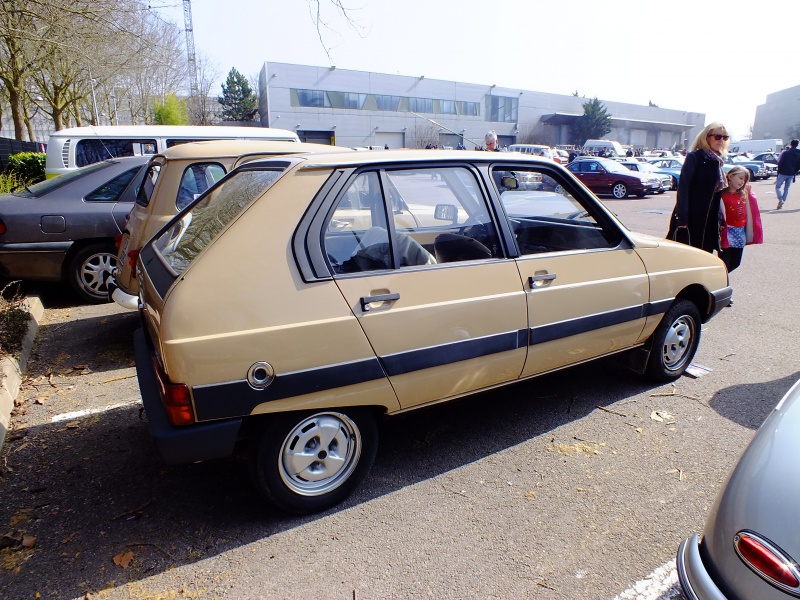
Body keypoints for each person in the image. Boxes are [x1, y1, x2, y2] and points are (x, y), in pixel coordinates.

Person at [668, 122, 730, 252]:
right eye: (717, 136)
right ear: (707, 137)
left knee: (706, 253)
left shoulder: (717, 160)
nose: (721, 140)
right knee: (689, 253)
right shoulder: (695, 157)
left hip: (710, 218)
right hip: (693, 216)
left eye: (724, 137)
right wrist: (682, 218)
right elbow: (683, 188)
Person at [719, 166, 763, 272]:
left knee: (736, 262)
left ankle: (721, 279)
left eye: (744, 180)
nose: (742, 182)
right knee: (725, 262)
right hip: (726, 233)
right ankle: (720, 282)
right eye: (740, 178)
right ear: (730, 176)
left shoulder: (744, 194)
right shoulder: (722, 194)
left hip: (740, 232)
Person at [775, 139, 800, 209]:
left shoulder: (786, 153)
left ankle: (781, 199)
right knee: (786, 188)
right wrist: (795, 172)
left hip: (783, 172)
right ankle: (783, 199)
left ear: (790, 144)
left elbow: (780, 163)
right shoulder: (799, 153)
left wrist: (778, 172)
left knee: (778, 186)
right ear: (797, 145)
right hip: (792, 173)